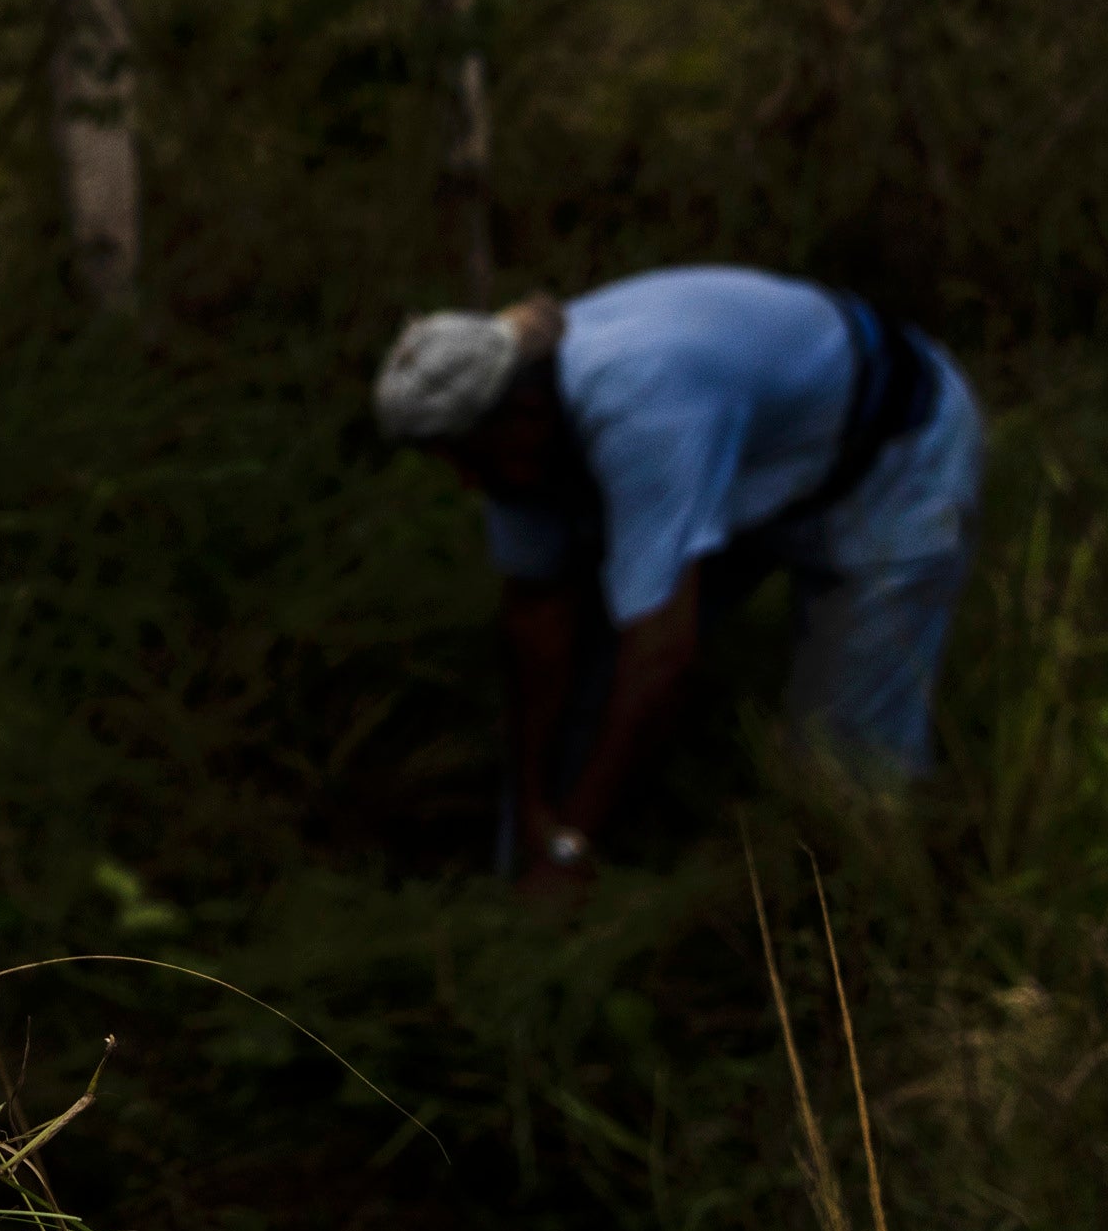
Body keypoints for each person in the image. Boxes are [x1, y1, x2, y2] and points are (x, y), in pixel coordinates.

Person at [372, 269, 978, 899]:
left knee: (845, 771)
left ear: (523, 413)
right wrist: (532, 808)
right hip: (758, 465)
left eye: (470, 460)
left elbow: (659, 653)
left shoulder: (644, 410)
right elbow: (537, 623)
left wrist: (572, 841)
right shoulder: (513, 434)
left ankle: (880, 921)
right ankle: (554, 877)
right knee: (591, 676)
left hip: (893, 462)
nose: (469, 484)